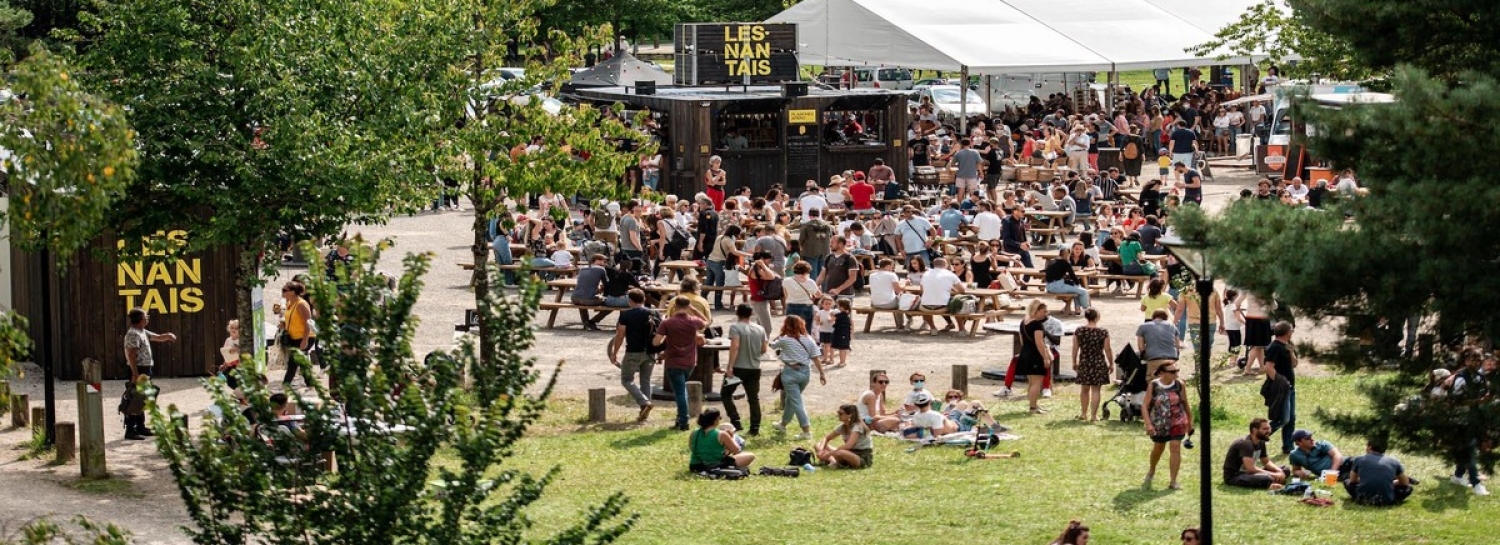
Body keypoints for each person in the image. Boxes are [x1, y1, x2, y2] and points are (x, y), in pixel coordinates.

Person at [653, 297, 707, 431]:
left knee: (680, 392)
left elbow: (656, 342)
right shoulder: (693, 321)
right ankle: (680, 418)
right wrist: (694, 310)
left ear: (675, 306)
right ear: (688, 306)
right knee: (681, 389)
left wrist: (665, 338)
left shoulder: (667, 323)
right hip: (690, 361)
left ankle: (683, 420)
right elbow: (706, 322)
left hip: (673, 361)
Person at [771, 315, 825, 440]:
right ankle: (783, 424)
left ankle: (806, 431)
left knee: (796, 402)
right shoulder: (808, 339)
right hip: (806, 372)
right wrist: (822, 373)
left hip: (790, 372)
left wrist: (779, 335)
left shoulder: (784, 339)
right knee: (792, 400)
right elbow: (816, 356)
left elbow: (772, 345)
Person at [608, 289, 657, 423]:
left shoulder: (626, 315)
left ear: (630, 301)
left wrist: (614, 353)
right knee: (645, 380)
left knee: (626, 379)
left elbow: (620, 335)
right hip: (651, 352)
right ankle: (644, 412)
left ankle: (644, 402)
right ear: (644, 300)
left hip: (633, 351)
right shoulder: (653, 312)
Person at [1143, 362, 1193, 490]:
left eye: (1177, 370)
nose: (1176, 374)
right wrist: (1148, 424)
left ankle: (1173, 481)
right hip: (1160, 422)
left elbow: (1185, 403)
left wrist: (1190, 421)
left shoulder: (1179, 384)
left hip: (1178, 421)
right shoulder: (1154, 385)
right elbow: (1145, 406)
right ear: (1162, 373)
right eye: (1172, 372)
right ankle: (1152, 470)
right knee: (1159, 448)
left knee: (1175, 447)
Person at [722, 304, 767, 435]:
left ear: (737, 313)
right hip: (754, 368)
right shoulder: (760, 328)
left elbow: (735, 346)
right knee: (753, 398)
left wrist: (730, 365)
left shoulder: (735, 327)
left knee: (725, 394)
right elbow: (764, 349)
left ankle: (735, 421)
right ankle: (755, 427)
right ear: (751, 314)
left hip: (738, 367)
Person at [1071, 309, 1114, 421]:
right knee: (1096, 390)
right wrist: (1111, 363)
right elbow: (1107, 349)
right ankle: (1094, 415)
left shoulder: (1079, 331)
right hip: (1098, 361)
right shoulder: (1103, 332)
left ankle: (1083, 413)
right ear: (1097, 317)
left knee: (1084, 389)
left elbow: (1075, 348)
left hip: (1084, 361)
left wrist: (1074, 361)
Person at [1345, 437, 1414, 506]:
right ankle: (1389, 497)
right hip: (1387, 501)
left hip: (1362, 499)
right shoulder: (1394, 461)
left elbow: (1352, 480)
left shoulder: (1359, 459)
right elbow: (1405, 483)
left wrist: (1365, 479)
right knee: (1408, 488)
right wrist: (1391, 483)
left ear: (1370, 447)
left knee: (1347, 482)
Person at [1224, 418, 1288, 489]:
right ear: (1254, 430)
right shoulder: (1246, 444)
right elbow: (1251, 469)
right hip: (1235, 476)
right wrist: (1275, 475)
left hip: (1248, 473)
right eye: (1265, 429)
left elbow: (1266, 462)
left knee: (1285, 469)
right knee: (1266, 478)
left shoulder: (1261, 441)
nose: (1269, 431)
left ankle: (1272, 480)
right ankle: (1270, 483)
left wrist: (1279, 471)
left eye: (1269, 428)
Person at [1264, 321, 1298, 454]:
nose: (1292, 333)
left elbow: (1294, 364)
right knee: (1283, 419)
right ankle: (1258, 437)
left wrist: (1291, 353)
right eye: (1291, 331)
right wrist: (1281, 382)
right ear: (1287, 332)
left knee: (1291, 418)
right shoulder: (1274, 347)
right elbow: (1268, 367)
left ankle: (1288, 446)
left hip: (1290, 387)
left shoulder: (1287, 347)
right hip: (1281, 389)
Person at [688, 409, 755, 473]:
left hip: (695, 466)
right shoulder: (721, 434)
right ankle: (728, 468)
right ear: (715, 420)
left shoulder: (694, 432)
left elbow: (692, 448)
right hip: (714, 465)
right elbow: (736, 450)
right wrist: (731, 437)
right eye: (719, 418)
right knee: (750, 455)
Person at [276, 281, 314, 389]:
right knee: (300, 362)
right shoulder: (289, 303)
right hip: (293, 337)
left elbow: (308, 323)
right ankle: (311, 384)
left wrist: (305, 340)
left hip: (304, 337)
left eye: (284, 290)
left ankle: (286, 384)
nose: (282, 292)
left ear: (292, 292)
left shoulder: (301, 304)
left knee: (293, 362)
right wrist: (284, 326)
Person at [1018, 300, 1053, 414]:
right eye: (1043, 311)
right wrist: (1045, 357)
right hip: (1035, 355)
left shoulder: (1024, 322)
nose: (1045, 314)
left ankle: (1034, 404)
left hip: (1025, 352)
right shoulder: (1037, 325)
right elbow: (1039, 343)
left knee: (1032, 382)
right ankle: (1033, 407)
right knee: (1037, 383)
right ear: (1036, 311)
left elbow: (1022, 340)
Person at [816, 404, 875, 469]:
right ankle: (833, 462)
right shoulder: (842, 427)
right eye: (838, 413)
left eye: (840, 413)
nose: (838, 415)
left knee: (840, 452)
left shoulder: (858, 426)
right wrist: (820, 450)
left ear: (850, 415)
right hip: (849, 452)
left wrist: (829, 454)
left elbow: (848, 446)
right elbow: (827, 438)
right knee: (818, 445)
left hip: (861, 456)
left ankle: (835, 463)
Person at [917, 257, 966, 335]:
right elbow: (962, 290)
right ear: (945, 265)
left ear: (934, 265)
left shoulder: (926, 274)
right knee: (957, 303)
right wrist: (951, 290)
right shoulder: (950, 274)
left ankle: (933, 328)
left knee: (925, 301)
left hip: (926, 307)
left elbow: (922, 290)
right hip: (942, 307)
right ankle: (961, 329)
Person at [1137, 309, 1182, 380]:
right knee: (1171, 379)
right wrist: (1176, 355)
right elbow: (1177, 345)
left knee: (1152, 379)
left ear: (1153, 317)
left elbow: (1140, 346)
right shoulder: (1172, 326)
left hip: (1153, 357)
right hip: (1171, 358)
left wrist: (1143, 355)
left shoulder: (1143, 326)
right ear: (1166, 317)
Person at [867, 258, 908, 330]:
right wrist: (905, 283)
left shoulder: (872, 275)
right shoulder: (891, 275)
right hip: (888, 303)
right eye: (892, 266)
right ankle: (901, 324)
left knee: (896, 298)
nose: (893, 268)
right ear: (887, 266)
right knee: (901, 298)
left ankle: (899, 323)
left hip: (875, 303)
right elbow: (898, 290)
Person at [782, 260, 821, 329]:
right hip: (806, 305)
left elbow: (786, 294)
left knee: (791, 329)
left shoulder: (786, 280)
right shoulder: (810, 282)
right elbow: (818, 295)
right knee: (805, 330)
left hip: (791, 305)